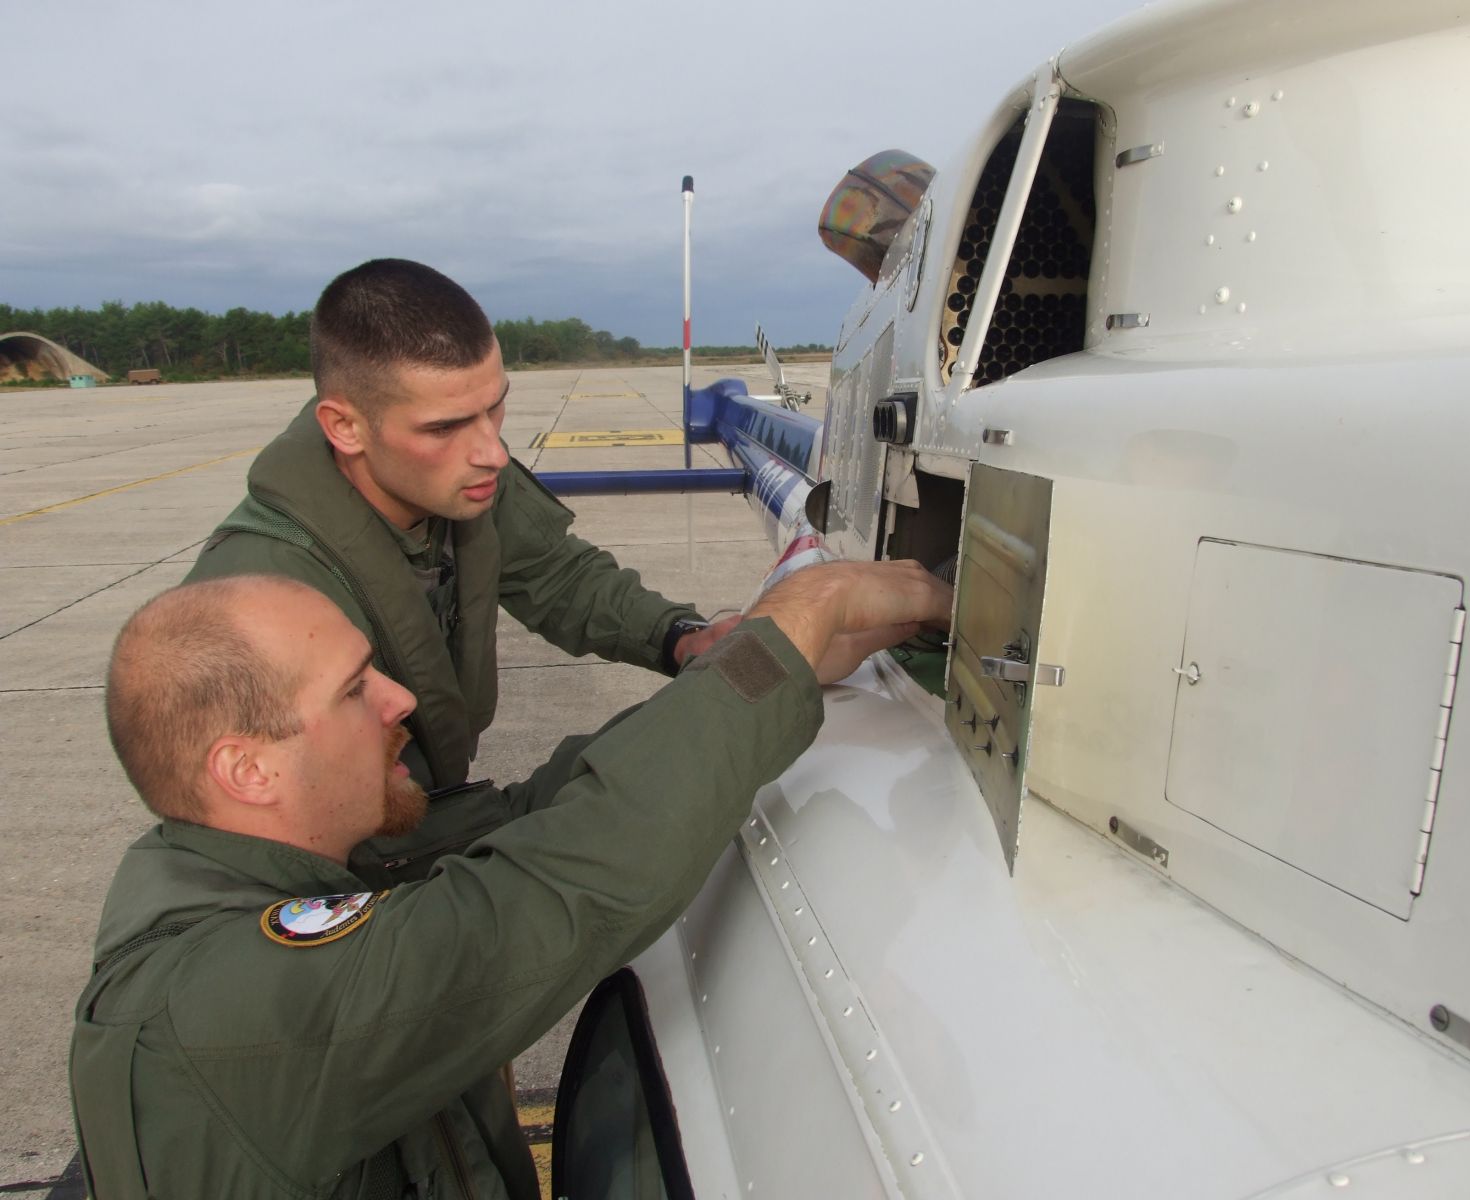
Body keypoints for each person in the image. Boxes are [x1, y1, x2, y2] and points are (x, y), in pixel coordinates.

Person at [70, 560, 951, 1199]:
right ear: (248, 771)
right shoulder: (227, 1009)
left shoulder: (251, 869)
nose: (398, 700)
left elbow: (550, 811)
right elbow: (574, 877)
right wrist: (810, 604)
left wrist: (770, 669)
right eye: (352, 690)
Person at [186, 258, 732, 806]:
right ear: (345, 427)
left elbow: (554, 574)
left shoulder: (455, 480)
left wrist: (679, 635)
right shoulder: (253, 597)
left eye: (494, 408)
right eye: (443, 427)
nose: (492, 453)